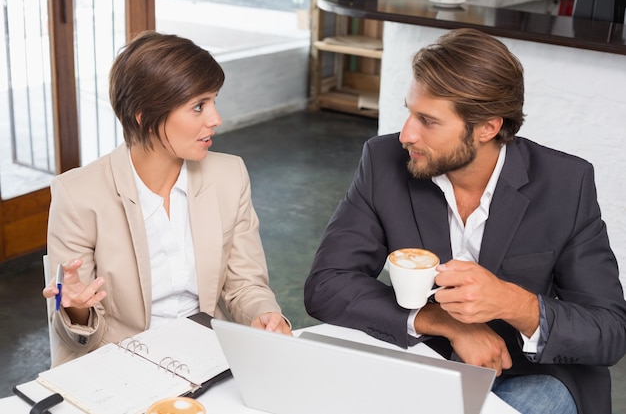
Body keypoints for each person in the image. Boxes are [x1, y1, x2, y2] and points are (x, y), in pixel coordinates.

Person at [304, 28, 626, 414]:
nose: (406, 133)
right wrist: (447, 322)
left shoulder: (565, 184)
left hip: (531, 374)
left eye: (428, 120)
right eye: (409, 111)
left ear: (488, 127)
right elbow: (326, 284)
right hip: (422, 364)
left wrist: (514, 303)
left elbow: (609, 332)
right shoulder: (382, 162)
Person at [43, 31, 291, 367]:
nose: (215, 119)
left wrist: (265, 314)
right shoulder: (78, 195)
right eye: (198, 106)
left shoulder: (230, 176)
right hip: (119, 362)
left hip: (206, 354)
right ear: (143, 115)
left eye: (214, 100)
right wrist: (75, 309)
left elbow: (245, 283)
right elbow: (76, 331)